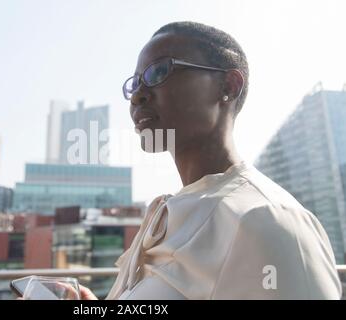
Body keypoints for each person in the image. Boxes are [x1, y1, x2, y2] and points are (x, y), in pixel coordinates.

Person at [80, 21, 342, 300]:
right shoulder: (166, 215)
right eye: (135, 83)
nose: (137, 96)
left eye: (158, 71)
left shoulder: (266, 218)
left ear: (228, 86)